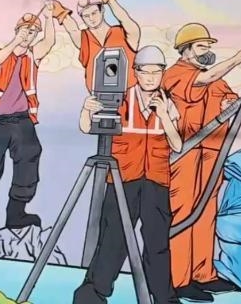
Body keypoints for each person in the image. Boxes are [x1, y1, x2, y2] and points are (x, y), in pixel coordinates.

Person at [73, 46, 182, 304]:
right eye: (145, 72)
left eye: (156, 72)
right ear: (135, 72)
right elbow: (87, 128)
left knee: (157, 242)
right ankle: (93, 294)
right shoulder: (120, 99)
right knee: (113, 238)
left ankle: (164, 298)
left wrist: (164, 116)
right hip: (123, 180)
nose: (151, 78)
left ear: (163, 73)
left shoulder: (168, 104)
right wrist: (86, 110)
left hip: (156, 181)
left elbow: (177, 145)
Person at [164, 23, 241, 302]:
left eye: (209, 46)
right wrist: (239, 57)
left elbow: (230, 98)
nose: (207, 51)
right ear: (185, 50)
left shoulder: (215, 80)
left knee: (206, 213)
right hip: (185, 155)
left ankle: (203, 274)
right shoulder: (175, 74)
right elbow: (201, 82)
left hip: (211, 155)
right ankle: (178, 280)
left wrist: (229, 102)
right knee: (184, 212)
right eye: (201, 46)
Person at [0, 3, 56, 229]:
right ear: (16, 31)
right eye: (25, 30)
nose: (28, 35)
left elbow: (49, 42)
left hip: (20, 120)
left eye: (33, 32)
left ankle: (17, 214)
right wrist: (16, 42)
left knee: (29, 160)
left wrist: (49, 17)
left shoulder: (31, 57)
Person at [55, 0, 140, 93]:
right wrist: (58, 11)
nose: (91, 18)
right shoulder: (85, 39)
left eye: (94, 13)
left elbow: (125, 19)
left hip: (130, 96)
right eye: (86, 16)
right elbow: (72, 29)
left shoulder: (123, 34)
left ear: (102, 10)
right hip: (99, 98)